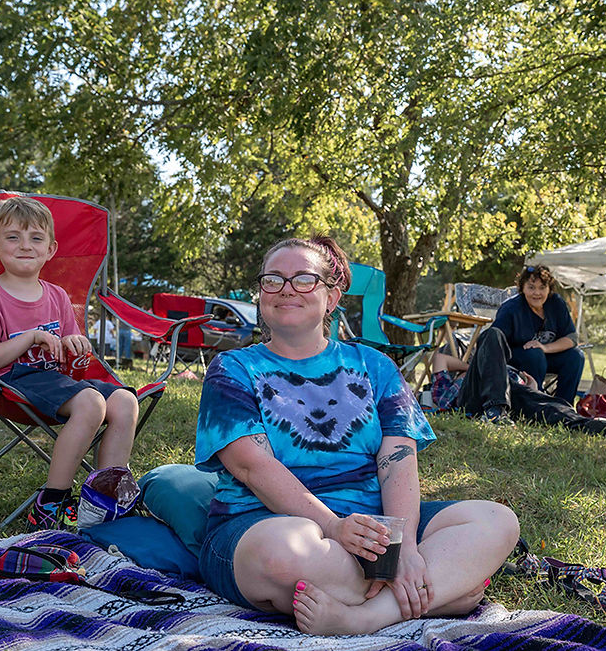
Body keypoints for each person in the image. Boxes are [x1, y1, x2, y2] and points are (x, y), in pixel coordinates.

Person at [195, 235, 519, 636]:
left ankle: (366, 615)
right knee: (283, 550)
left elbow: (398, 459)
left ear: (331, 297)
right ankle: (443, 593)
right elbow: (253, 468)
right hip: (263, 523)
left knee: (495, 519)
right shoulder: (232, 368)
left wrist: (405, 548)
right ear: (261, 293)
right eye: (273, 280)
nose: (286, 290)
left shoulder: (375, 366)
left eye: (303, 279)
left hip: (377, 527)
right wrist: (334, 528)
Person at [0, 196, 140, 531]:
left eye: (36, 238)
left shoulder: (57, 296)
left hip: (53, 380)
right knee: (90, 403)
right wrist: (29, 337)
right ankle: (51, 502)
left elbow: (74, 353)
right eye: (13, 237)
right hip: (8, 380)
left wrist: (78, 346)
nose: (25, 245)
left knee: (125, 400)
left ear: (50, 249)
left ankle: (104, 498)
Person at [429, 327, 606, 437]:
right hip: (473, 402)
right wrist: (480, 366)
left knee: (550, 407)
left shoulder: (502, 371)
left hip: (511, 397)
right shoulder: (460, 380)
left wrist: (532, 389)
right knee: (492, 333)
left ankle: (598, 428)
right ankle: (495, 412)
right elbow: (439, 359)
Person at [491, 265, 584, 404]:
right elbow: (494, 339)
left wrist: (545, 347)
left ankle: (563, 406)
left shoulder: (556, 303)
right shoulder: (511, 309)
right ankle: (535, 404)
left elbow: (571, 338)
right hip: (516, 358)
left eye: (542, 287)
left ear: (549, 288)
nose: (537, 293)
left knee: (576, 356)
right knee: (535, 354)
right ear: (522, 288)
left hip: (545, 355)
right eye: (531, 287)